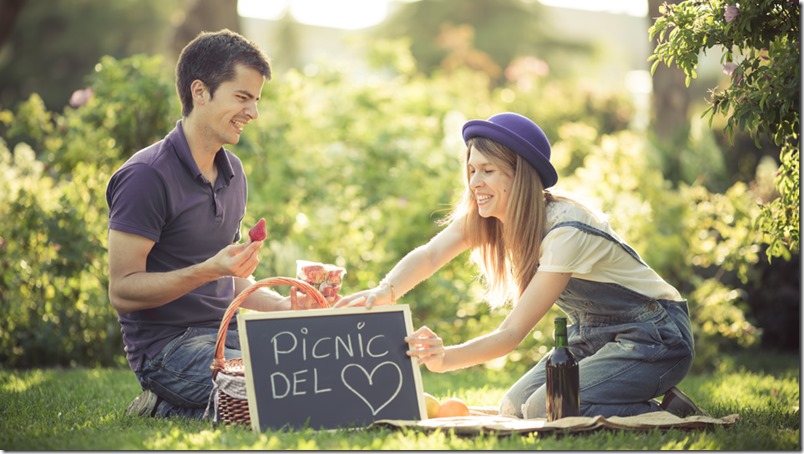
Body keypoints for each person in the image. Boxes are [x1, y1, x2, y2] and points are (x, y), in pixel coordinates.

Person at [336, 112, 707, 419]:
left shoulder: (565, 231)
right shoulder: (491, 218)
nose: (474, 183)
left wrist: (445, 358)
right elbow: (431, 254)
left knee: (548, 410)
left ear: (520, 174)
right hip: (595, 338)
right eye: (471, 171)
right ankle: (635, 402)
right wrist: (386, 290)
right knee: (514, 408)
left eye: (488, 171)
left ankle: (669, 413)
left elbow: (512, 334)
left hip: (656, 337)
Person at [106, 29, 319, 420]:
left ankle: (184, 407)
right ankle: (165, 403)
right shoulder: (145, 176)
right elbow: (122, 290)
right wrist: (208, 271)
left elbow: (234, 282)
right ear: (199, 92)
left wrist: (287, 306)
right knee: (281, 391)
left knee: (315, 374)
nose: (253, 112)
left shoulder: (233, 172)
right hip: (169, 349)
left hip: (228, 335)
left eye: (255, 100)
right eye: (242, 97)